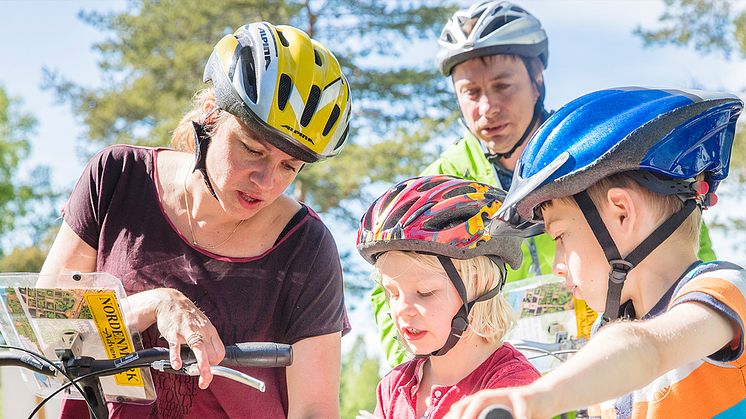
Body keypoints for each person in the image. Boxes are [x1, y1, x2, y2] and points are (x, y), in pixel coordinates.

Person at [371, 0, 717, 368]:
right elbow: (393, 288)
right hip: (500, 381)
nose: (487, 108)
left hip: (618, 362)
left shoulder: (594, 156)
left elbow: (684, 241)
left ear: (538, 79)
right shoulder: (439, 186)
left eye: (503, 86)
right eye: (471, 93)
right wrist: (423, 371)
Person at [40, 22, 351, 418]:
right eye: (252, 149)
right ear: (209, 113)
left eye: (290, 166)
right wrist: (154, 303)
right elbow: (44, 328)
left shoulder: (306, 246)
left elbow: (315, 410)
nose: (267, 181)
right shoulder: (117, 177)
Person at [445, 87, 746, 419]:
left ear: (622, 213)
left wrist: (539, 397)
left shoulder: (723, 291)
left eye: (559, 236)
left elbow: (646, 350)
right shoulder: (607, 377)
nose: (557, 265)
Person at [356, 175, 541, 419]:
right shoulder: (393, 387)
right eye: (393, 293)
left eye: (425, 293)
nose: (403, 309)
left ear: (479, 286)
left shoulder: (512, 387)